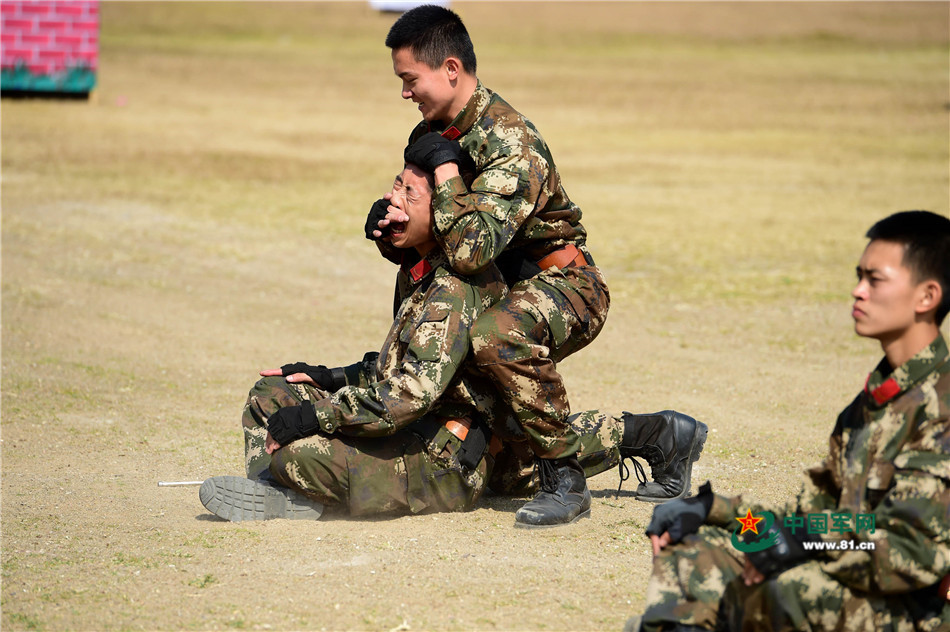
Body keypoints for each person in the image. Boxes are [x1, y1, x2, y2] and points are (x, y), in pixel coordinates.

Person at [199, 159, 707, 523]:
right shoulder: (419, 269)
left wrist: (320, 413)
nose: (390, 202)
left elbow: (408, 395)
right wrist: (331, 378)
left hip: (446, 453)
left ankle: (289, 486)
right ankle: (276, 489)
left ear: (442, 214)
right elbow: (410, 362)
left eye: (408, 196)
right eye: (394, 186)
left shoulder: (457, 284)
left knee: (299, 453)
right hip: (418, 418)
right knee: (270, 394)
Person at [365, 5, 707, 527]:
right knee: (500, 434)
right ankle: (660, 436)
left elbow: (470, 250)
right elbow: (435, 236)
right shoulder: (432, 134)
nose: (405, 93)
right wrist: (394, 232)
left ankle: (565, 481)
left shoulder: (512, 143)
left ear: (450, 69)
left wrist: (447, 168)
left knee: (496, 337)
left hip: (563, 282)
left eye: (410, 80)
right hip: (493, 283)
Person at [627, 210, 950, 631]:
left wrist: (802, 543)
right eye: (859, 276)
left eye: (876, 280)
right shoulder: (871, 403)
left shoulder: (939, 410)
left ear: (927, 297)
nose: (857, 291)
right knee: (692, 554)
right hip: (853, 583)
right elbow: (805, 517)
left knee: (784, 587)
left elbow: (915, 554)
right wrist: (711, 508)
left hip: (914, 611)